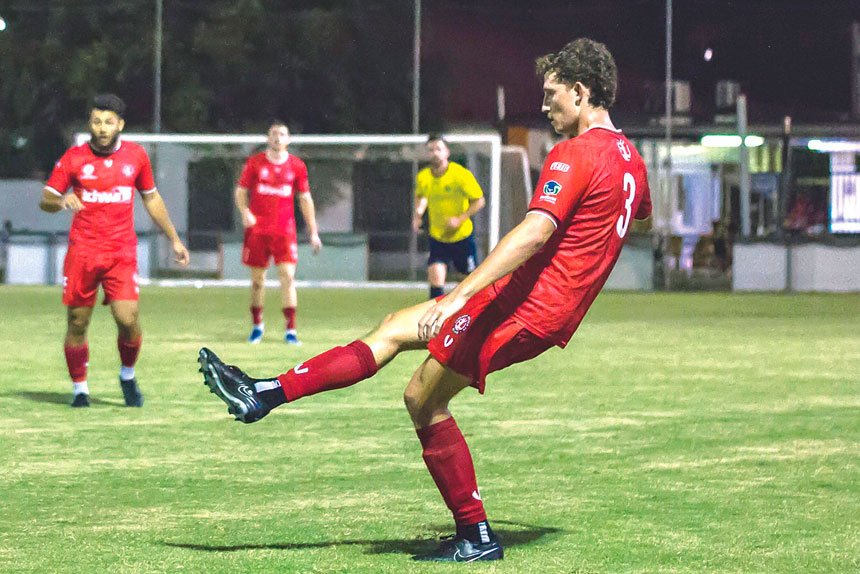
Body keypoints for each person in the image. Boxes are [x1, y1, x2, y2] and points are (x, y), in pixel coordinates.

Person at [198, 38, 651, 562]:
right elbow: (639, 218)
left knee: (423, 398)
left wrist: (457, 295)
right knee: (394, 326)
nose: (545, 106)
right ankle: (264, 391)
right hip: (533, 300)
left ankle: (476, 536)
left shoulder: (574, 153)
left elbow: (534, 232)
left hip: (526, 307)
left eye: (551, 96)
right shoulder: (630, 158)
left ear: (580, 91)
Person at [39, 93, 190, 408]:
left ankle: (127, 374)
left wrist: (174, 238)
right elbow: (46, 198)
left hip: (120, 252)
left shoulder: (136, 157)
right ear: (90, 124)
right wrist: (61, 201)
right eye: (96, 121)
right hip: (83, 251)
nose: (102, 127)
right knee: (78, 322)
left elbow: (151, 197)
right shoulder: (74, 158)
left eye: (109, 122)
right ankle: (80, 389)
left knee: (128, 317)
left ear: (120, 124)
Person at [234, 121, 322, 345]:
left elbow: (305, 199)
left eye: (282, 134)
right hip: (258, 231)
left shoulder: (297, 166)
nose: (277, 138)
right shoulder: (254, 163)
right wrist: (245, 211)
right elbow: (241, 191)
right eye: (274, 134)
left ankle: (291, 330)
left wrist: (313, 231)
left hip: (284, 231)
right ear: (268, 138)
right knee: (257, 281)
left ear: (288, 139)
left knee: (288, 278)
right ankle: (257, 326)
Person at [412, 135, 486, 299]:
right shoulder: (423, 176)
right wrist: (418, 215)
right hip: (438, 237)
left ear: (447, 152)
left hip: (462, 237)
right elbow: (421, 196)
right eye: (431, 150)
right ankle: (435, 320)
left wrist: (459, 219)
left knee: (467, 285)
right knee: (435, 278)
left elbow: (479, 201)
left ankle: (468, 320)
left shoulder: (461, 175)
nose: (434, 153)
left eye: (438, 149)